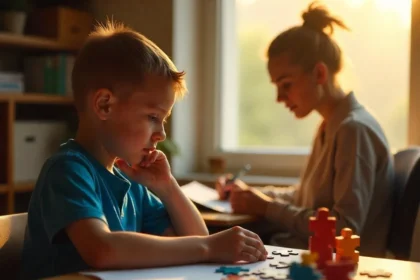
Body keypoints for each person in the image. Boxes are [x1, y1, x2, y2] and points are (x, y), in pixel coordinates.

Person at [20, 21, 267, 280]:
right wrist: (208, 247)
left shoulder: (131, 181)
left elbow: (194, 239)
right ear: (104, 105)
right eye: (152, 116)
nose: (161, 133)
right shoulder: (68, 170)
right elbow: (102, 250)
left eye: (164, 119)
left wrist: (168, 187)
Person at [216, 2, 394, 258]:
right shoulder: (330, 125)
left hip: (338, 266)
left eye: (286, 84)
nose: (279, 97)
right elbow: (304, 198)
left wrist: (267, 208)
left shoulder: (354, 130)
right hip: (309, 255)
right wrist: (250, 195)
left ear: (319, 73)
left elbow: (343, 228)